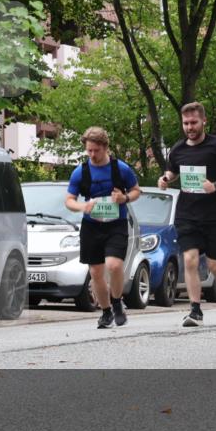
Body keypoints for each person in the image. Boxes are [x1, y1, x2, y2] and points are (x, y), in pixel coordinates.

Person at [158, 102, 216, 327]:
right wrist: (165, 179)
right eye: (185, 123)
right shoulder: (177, 149)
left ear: (203, 121)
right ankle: (195, 310)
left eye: (193, 122)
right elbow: (172, 171)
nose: (189, 127)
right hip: (187, 213)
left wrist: (215, 185)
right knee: (190, 259)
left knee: (215, 264)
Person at [64, 127, 141, 329]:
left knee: (114, 265)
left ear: (105, 147)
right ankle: (106, 312)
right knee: (96, 273)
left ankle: (117, 302)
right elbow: (69, 201)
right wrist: (83, 206)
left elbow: (136, 191)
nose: (92, 155)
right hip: (91, 226)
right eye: (89, 150)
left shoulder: (120, 168)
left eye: (96, 151)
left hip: (116, 224)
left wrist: (124, 198)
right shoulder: (80, 171)